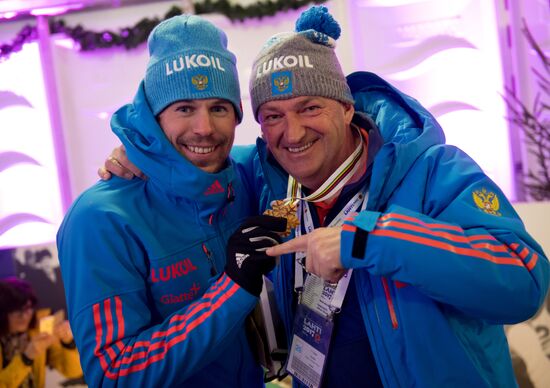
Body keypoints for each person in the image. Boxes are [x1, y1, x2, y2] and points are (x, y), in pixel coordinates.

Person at [100, 6, 550, 387]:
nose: (292, 133)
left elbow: (524, 281)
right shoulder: (268, 180)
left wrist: (369, 241)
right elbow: (194, 155)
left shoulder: (432, 171)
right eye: (273, 115)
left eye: (309, 107)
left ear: (347, 107)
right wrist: (144, 153)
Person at [57, 14, 286, 387]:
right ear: (154, 117)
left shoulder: (245, 173)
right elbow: (114, 374)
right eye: (184, 108)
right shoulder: (99, 219)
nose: (204, 128)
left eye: (218, 107)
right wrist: (232, 289)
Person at [0, 277, 82, 388]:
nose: (24, 316)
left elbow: (73, 372)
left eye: (28, 308)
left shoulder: (39, 328)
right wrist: (26, 358)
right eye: (18, 311)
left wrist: (68, 343)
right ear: (4, 313)